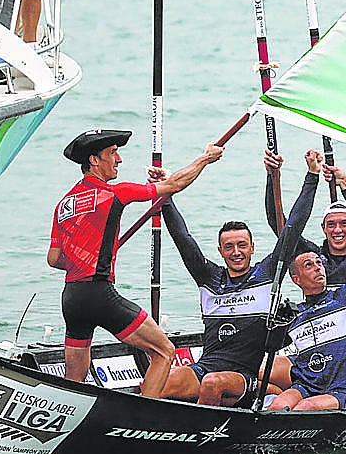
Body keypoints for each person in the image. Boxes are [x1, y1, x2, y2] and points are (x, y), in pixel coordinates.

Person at [47, 129, 222, 397]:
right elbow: (173, 185)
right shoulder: (113, 193)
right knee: (164, 351)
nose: (119, 160)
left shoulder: (65, 204)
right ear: (94, 160)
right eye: (113, 153)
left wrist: (89, 254)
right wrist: (205, 159)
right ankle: (143, 414)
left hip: (72, 299)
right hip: (99, 294)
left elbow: (55, 259)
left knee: (74, 382)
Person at [157, 149, 319, 406]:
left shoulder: (267, 273)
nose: (236, 252)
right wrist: (163, 194)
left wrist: (312, 176)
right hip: (204, 367)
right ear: (220, 251)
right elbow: (182, 238)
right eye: (229, 247)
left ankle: (199, 439)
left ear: (252, 248)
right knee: (156, 382)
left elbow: (293, 226)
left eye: (242, 245)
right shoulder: (208, 277)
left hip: (245, 377)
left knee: (213, 383)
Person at [260, 150, 346, 388]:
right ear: (323, 228)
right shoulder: (311, 257)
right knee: (264, 372)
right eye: (331, 224)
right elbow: (280, 224)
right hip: (316, 346)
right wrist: (275, 177)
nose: (337, 230)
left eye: (344, 224)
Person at [267, 242, 346, 411]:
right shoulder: (295, 314)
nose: (318, 268)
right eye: (309, 265)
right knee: (277, 407)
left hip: (341, 389)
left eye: (319, 263)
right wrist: (278, 326)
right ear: (296, 279)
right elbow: (269, 346)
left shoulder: (345, 297)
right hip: (305, 386)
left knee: (306, 407)